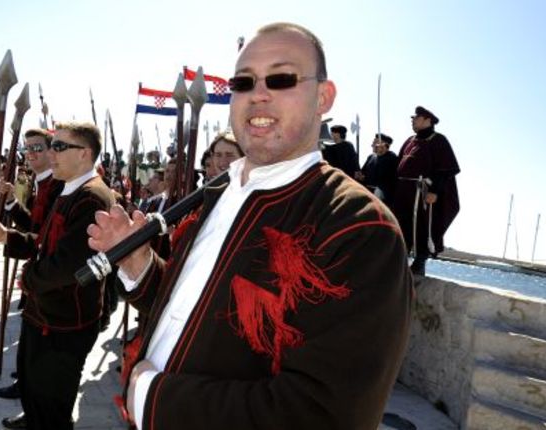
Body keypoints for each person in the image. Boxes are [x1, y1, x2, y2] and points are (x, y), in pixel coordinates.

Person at [87, 22, 411, 430]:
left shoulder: (360, 227)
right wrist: (140, 267)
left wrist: (151, 397)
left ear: (323, 98)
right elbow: (199, 312)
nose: (259, 94)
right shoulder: (218, 192)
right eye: (243, 82)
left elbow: (324, 413)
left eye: (281, 78)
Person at [0, 122, 115, 430]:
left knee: (52, 404)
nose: (51, 154)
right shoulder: (70, 189)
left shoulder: (92, 198)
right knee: (33, 385)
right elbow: (43, 242)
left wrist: (28, 279)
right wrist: (9, 237)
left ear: (84, 154)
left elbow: (68, 265)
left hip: (65, 321)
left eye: (59, 147)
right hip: (45, 313)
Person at [0, 128, 65, 408]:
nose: (30, 154)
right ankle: (25, 379)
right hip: (39, 272)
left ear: (51, 151)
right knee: (30, 331)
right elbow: (32, 225)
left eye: (37, 148)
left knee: (39, 337)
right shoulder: (41, 182)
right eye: (27, 149)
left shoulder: (58, 186)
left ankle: (29, 386)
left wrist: (6, 237)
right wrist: (11, 201)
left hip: (49, 275)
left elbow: (44, 238)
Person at [394, 106, 460, 276]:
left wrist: (435, 191)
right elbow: (398, 165)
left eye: (416, 118)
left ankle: (420, 262)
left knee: (423, 226)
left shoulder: (438, 140)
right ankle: (399, 261)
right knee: (400, 224)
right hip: (403, 193)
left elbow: (446, 170)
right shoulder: (410, 141)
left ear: (427, 120)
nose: (413, 121)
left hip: (421, 194)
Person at [355, 133, 398, 210]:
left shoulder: (392, 157)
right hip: (368, 194)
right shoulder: (371, 157)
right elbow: (364, 174)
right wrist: (360, 177)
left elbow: (390, 179)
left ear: (384, 145)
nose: (372, 145)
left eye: (375, 143)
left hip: (383, 199)